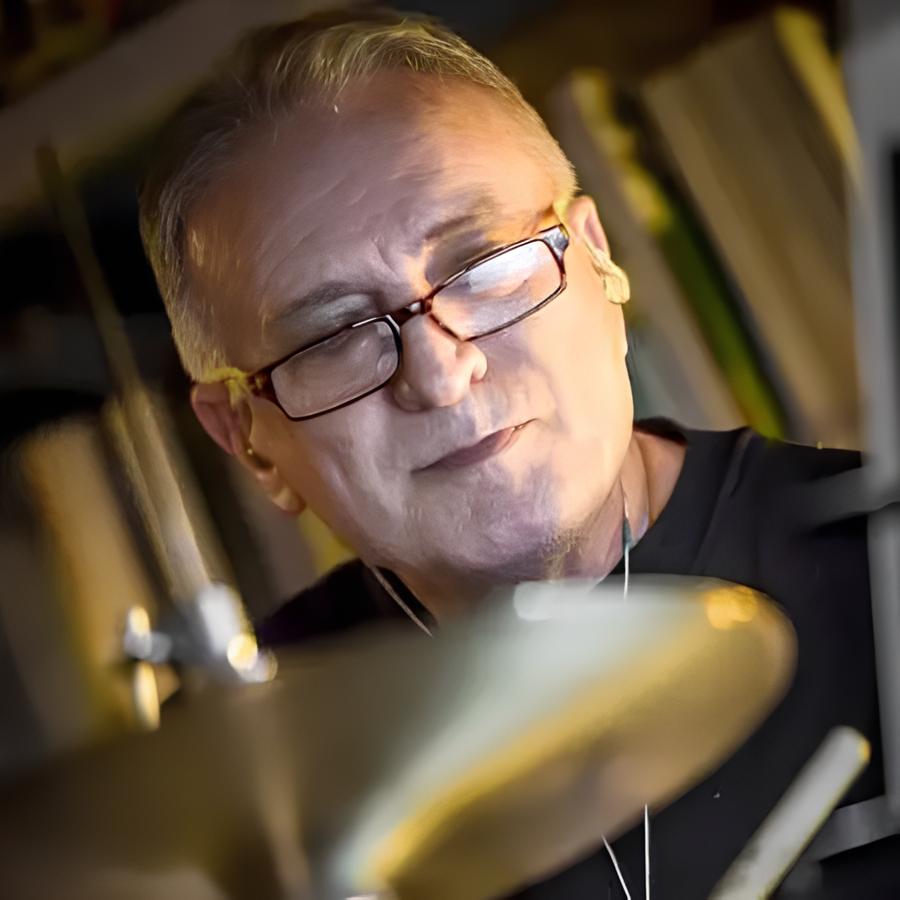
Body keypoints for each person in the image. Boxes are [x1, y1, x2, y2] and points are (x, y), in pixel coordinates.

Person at [138, 8, 891, 898]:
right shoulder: (228, 787)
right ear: (247, 441)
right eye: (334, 336)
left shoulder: (875, 567)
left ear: (600, 262)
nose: (439, 373)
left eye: (486, 267)